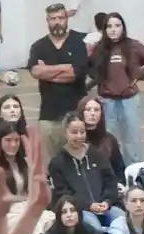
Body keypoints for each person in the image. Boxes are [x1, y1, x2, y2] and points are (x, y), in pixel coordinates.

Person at [88, 14, 144, 169]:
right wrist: (101, 79)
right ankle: (112, 174)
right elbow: (89, 66)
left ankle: (135, 174)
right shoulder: (99, 48)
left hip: (129, 99)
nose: (113, 30)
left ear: (123, 27)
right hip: (107, 100)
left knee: (132, 140)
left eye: (117, 26)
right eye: (109, 26)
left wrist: (137, 75)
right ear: (104, 29)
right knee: (108, 140)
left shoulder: (133, 45)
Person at [26, 2, 90, 154]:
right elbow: (35, 71)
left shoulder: (80, 42)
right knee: (50, 164)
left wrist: (46, 72)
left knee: (78, 158)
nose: (57, 21)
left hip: (76, 115)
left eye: (61, 17)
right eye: (53, 18)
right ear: (47, 21)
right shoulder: (39, 46)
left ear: (67, 19)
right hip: (48, 116)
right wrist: (65, 67)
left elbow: (75, 74)